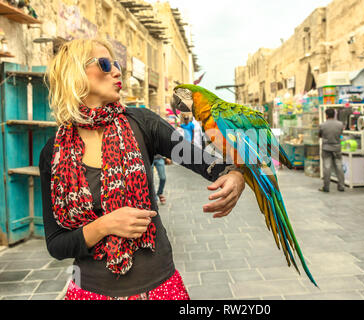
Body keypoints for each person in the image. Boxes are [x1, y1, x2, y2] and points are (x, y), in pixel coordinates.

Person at [38, 39, 245, 300]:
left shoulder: (142, 123)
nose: (116, 71)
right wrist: (104, 225)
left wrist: (234, 175)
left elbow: (208, 163)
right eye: (104, 64)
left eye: (117, 65)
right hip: (90, 290)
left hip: (159, 286)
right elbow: (56, 244)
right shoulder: (53, 152)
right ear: (75, 73)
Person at [318, 108, 345, 192]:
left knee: (327, 167)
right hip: (337, 148)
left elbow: (320, 135)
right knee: (339, 166)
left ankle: (326, 187)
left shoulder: (322, 125)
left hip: (326, 148)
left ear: (326, 115)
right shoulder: (340, 124)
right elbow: (341, 134)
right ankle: (341, 186)